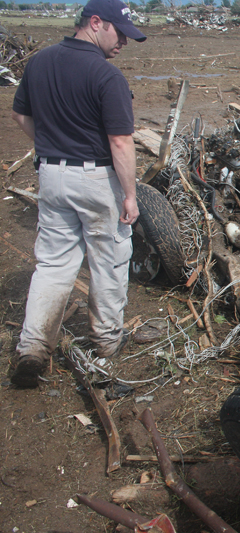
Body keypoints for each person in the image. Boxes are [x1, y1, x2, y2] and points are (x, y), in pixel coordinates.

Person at [9, 0, 146, 387]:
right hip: (96, 177)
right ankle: (105, 341)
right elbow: (120, 141)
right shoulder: (106, 76)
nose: (124, 42)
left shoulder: (39, 62)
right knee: (109, 259)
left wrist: (51, 147)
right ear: (96, 23)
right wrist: (130, 195)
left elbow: (20, 114)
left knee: (52, 264)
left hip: (51, 175)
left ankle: (33, 345)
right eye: (119, 33)